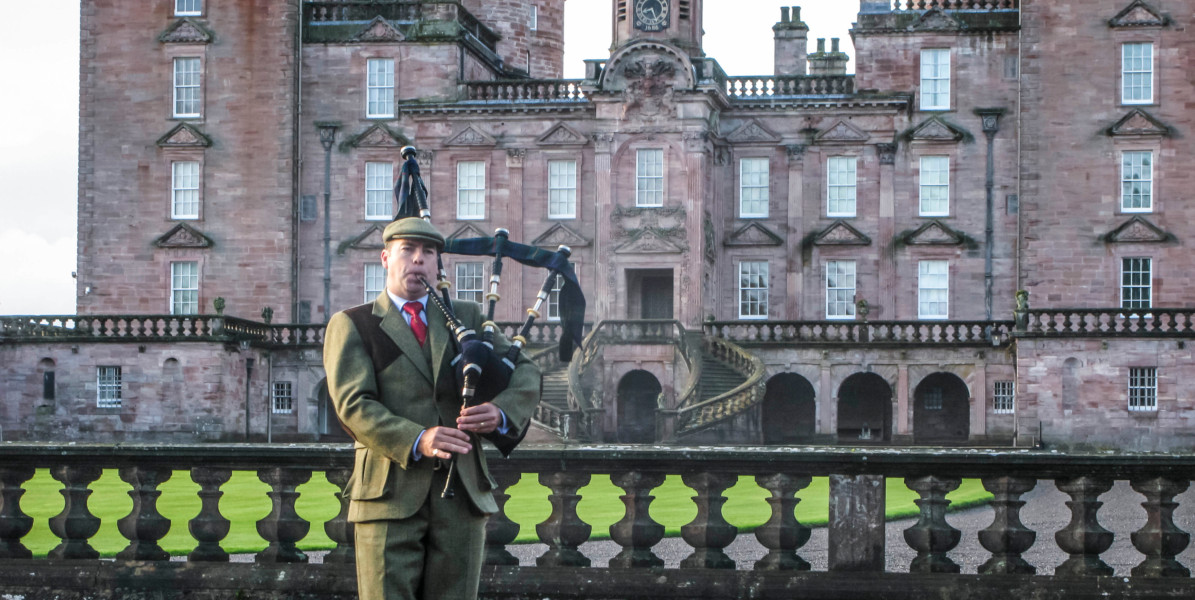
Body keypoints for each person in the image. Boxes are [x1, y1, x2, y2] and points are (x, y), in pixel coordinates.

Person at [323, 217, 541, 600]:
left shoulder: (467, 317)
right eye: (408, 249)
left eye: (429, 253)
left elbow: (525, 370)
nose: (418, 260)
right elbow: (353, 406)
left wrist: (501, 411)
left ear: (438, 263)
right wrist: (419, 438)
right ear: (386, 258)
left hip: (461, 495)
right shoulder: (353, 324)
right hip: (387, 496)